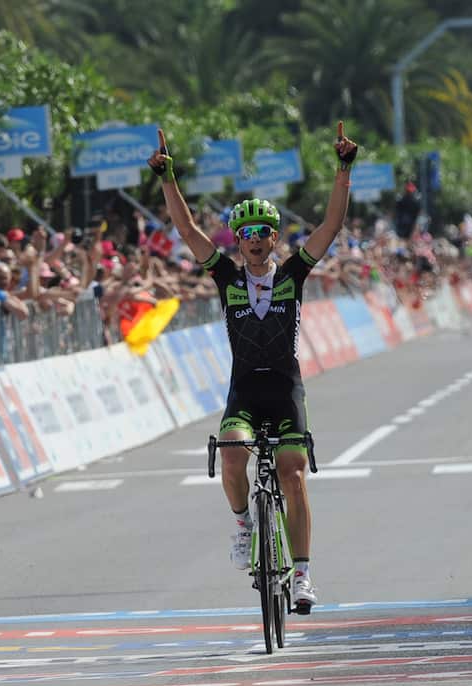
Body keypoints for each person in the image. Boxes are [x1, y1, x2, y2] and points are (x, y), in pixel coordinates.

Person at [147, 121, 359, 613]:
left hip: (286, 390)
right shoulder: (224, 275)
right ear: (237, 242)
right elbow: (186, 230)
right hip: (244, 390)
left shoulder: (293, 273)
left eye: (264, 232)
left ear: (274, 238)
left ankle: (302, 575)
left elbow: (330, 227)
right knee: (231, 454)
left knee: (293, 472)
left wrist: (343, 171)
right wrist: (167, 179)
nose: (256, 240)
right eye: (247, 234)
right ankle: (244, 524)